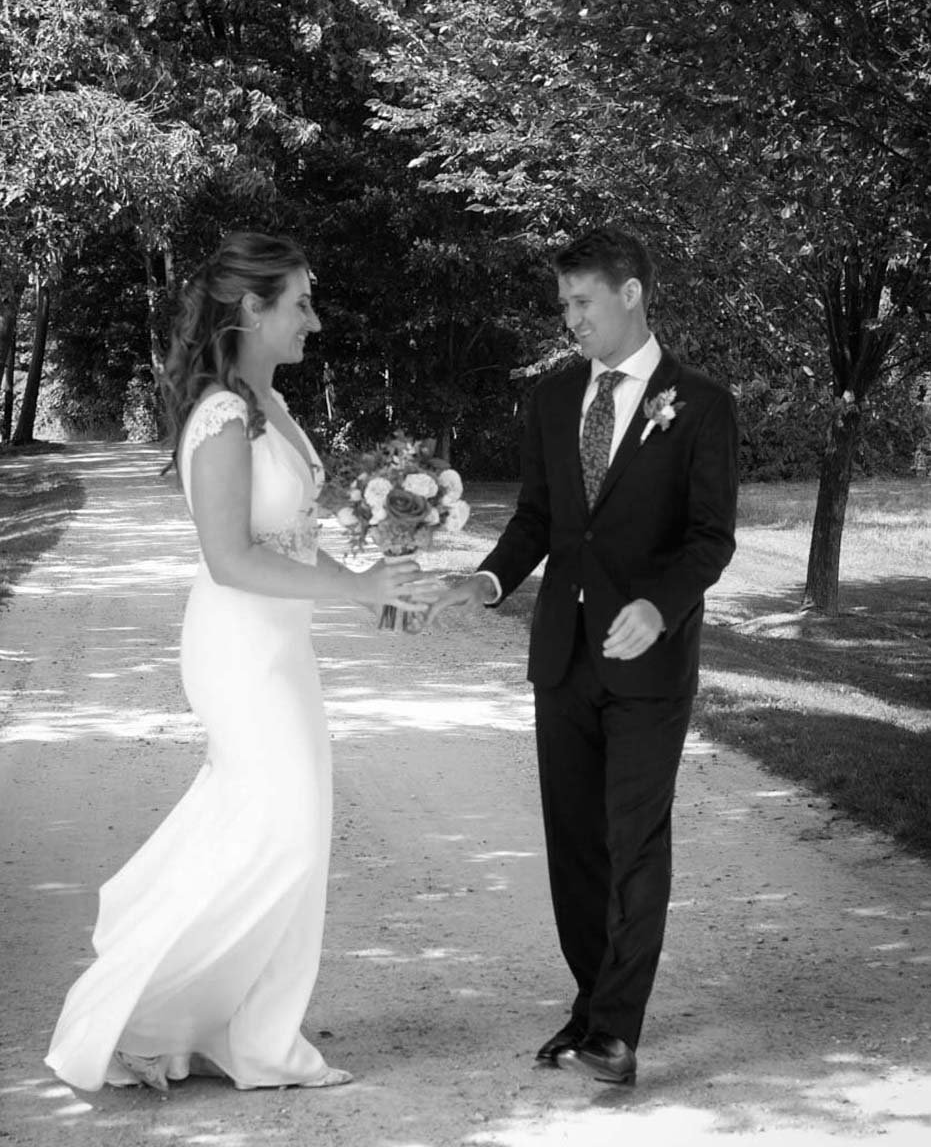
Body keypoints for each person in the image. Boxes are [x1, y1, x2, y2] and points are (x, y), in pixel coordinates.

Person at [45, 232, 429, 1094]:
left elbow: (290, 542)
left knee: (280, 833)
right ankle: (176, 1025)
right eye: (299, 302)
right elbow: (231, 558)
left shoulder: (273, 408)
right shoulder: (221, 416)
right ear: (250, 310)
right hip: (239, 648)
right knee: (282, 837)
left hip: (279, 645)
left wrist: (370, 590)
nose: (314, 319)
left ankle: (231, 1032)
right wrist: (353, 586)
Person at [427, 226, 738, 1087]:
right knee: (575, 844)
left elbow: (712, 538)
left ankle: (614, 1034)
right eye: (563, 304)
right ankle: (589, 1003)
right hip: (562, 656)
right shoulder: (553, 397)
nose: (569, 319)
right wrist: (486, 582)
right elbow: (538, 517)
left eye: (580, 302)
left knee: (633, 841)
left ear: (630, 293)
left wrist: (660, 605)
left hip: (647, 661)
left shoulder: (701, 403)